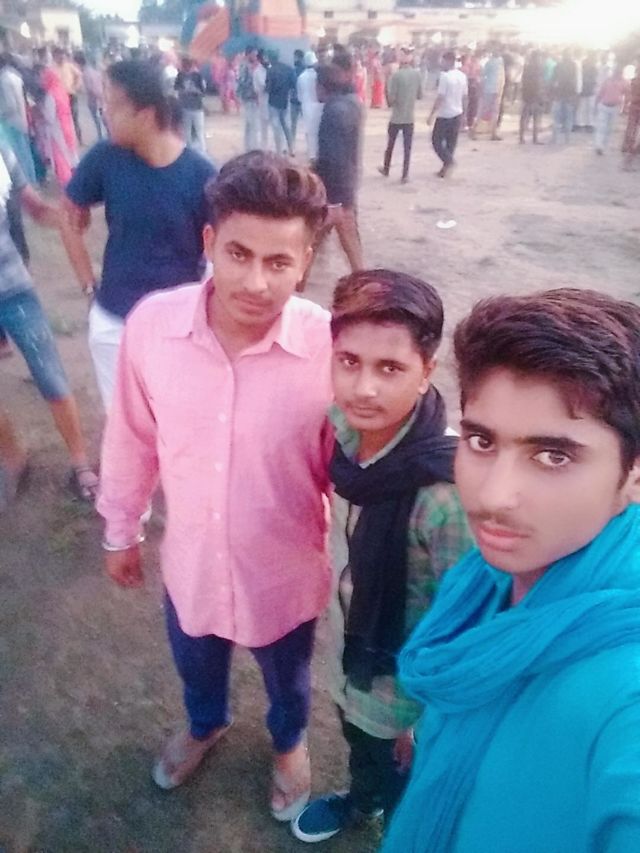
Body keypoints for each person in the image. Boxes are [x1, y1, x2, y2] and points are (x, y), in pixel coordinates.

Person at [98, 151, 333, 823]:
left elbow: (355, 457)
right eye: (238, 253)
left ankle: (288, 743)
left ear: (305, 261)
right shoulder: (152, 327)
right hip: (192, 563)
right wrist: (121, 529)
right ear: (208, 242)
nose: (256, 281)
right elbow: (131, 437)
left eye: (279, 261)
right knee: (195, 661)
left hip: (283, 570)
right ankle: (206, 723)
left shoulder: (329, 346)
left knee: (289, 678)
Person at [382, 288, 640, 853]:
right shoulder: (486, 578)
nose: (494, 497)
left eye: (554, 456)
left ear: (634, 474)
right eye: (481, 440)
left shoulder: (627, 697)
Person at [291, 270, 474, 844]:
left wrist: (426, 721)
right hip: (354, 653)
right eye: (349, 362)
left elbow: (463, 625)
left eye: (390, 368)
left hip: (404, 689)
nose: (364, 388)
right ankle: (361, 801)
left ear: (427, 371)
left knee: (406, 786)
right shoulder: (344, 432)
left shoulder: (446, 496)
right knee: (360, 744)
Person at [63, 60, 216, 410]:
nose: (104, 112)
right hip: (114, 323)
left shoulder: (202, 176)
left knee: (176, 420)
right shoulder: (106, 158)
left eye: (113, 105)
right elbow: (67, 214)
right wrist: (88, 287)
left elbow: (219, 257)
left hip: (178, 329)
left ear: (145, 115)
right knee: (122, 424)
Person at [0, 140, 98, 501]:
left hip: (14, 288)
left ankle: (81, 462)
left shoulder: (2, 152)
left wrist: (68, 215)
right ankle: (13, 459)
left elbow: (37, 209)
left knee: (51, 376)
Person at [309, 63, 363, 285]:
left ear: (322, 86)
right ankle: (299, 279)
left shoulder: (333, 111)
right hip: (346, 180)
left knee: (329, 234)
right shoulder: (351, 104)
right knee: (319, 235)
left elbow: (333, 156)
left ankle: (363, 281)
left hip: (335, 187)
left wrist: (332, 196)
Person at [378, 48, 422, 184]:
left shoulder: (396, 76)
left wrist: (386, 86)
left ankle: (386, 168)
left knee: (390, 145)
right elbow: (420, 95)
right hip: (409, 117)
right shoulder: (417, 75)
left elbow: (391, 101)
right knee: (407, 148)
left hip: (396, 117)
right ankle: (405, 174)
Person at [428, 51, 468, 178]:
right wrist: (464, 114)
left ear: (448, 61)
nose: (441, 63)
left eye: (443, 61)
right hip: (457, 112)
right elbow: (465, 97)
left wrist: (432, 114)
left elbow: (440, 97)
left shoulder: (445, 77)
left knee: (436, 141)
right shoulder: (462, 76)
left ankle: (449, 161)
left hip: (445, 114)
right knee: (451, 142)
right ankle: (446, 168)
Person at [38, 65, 79, 186]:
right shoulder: (61, 91)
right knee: (70, 154)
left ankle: (67, 183)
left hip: (57, 129)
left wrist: (41, 111)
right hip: (67, 124)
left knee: (61, 156)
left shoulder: (50, 95)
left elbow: (49, 116)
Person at [0, 54, 36, 183]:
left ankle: (27, 183)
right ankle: (32, 181)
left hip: (11, 122)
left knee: (19, 156)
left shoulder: (3, 79)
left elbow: (10, 105)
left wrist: (1, 113)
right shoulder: (15, 75)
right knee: (26, 154)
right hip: (21, 119)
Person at [175, 56, 207, 155]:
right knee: (187, 131)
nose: (186, 67)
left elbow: (203, 92)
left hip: (196, 107)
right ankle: (190, 151)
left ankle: (202, 151)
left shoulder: (198, 76)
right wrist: (183, 91)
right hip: (186, 106)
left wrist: (194, 91)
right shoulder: (180, 75)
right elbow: (176, 88)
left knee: (198, 131)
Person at [472, 44, 504, 141]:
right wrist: (481, 87)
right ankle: (473, 130)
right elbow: (482, 75)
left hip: (496, 89)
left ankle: (493, 133)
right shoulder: (489, 62)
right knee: (483, 111)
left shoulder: (500, 61)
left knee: (494, 112)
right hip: (489, 89)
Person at [266, 50, 295, 157]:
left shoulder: (270, 70)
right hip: (285, 101)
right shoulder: (288, 69)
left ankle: (279, 150)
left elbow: (268, 88)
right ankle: (291, 149)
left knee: (276, 126)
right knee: (286, 125)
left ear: (270, 58)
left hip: (273, 102)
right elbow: (293, 85)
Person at [52, 48, 83, 146]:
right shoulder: (52, 68)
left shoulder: (69, 66)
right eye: (58, 55)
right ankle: (68, 141)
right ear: (54, 57)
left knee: (75, 118)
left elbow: (79, 75)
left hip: (71, 94)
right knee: (63, 120)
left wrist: (76, 87)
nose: (60, 57)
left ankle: (79, 140)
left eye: (62, 55)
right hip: (59, 98)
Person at [594, 66, 627, 155]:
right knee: (604, 127)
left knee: (607, 128)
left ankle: (601, 146)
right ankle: (600, 146)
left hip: (611, 107)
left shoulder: (619, 82)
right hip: (608, 106)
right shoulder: (614, 81)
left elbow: (626, 93)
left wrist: (596, 103)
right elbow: (600, 93)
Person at [297, 51, 322, 162]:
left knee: (309, 131)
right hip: (319, 106)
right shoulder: (318, 76)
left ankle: (311, 154)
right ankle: (318, 152)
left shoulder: (301, 77)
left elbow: (299, 96)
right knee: (318, 131)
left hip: (306, 107)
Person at [76, 52, 106, 142]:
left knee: (98, 120)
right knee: (103, 120)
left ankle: (101, 138)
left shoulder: (86, 73)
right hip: (100, 98)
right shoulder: (94, 70)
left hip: (94, 101)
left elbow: (91, 88)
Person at [551, 49, 579, 144]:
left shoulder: (558, 65)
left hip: (559, 94)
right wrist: (575, 94)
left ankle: (555, 138)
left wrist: (552, 93)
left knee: (556, 118)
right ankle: (567, 139)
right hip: (569, 95)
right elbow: (575, 80)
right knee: (568, 117)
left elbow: (553, 80)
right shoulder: (573, 66)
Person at [236, 46, 260, 152]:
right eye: (254, 54)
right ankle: (252, 146)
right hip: (249, 96)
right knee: (252, 122)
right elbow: (242, 81)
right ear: (248, 54)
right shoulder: (244, 66)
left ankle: (249, 145)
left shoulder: (249, 66)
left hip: (250, 96)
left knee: (250, 123)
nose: (255, 57)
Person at [519, 49, 545, 145]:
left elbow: (523, 82)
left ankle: (521, 138)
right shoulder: (538, 69)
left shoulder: (527, 67)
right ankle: (534, 138)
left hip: (527, 95)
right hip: (535, 95)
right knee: (535, 117)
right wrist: (541, 95)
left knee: (524, 117)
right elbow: (539, 84)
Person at [622, 57, 640, 170]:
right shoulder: (634, 81)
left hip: (634, 106)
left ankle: (627, 147)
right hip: (636, 106)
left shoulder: (634, 81)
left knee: (631, 128)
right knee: (633, 130)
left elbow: (631, 95)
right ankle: (631, 153)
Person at [576, 50, 598, 131]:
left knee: (582, 107)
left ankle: (581, 123)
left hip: (584, 88)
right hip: (589, 88)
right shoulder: (593, 65)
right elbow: (595, 77)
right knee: (589, 108)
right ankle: (589, 124)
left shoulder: (583, 64)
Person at [290, 49, 305, 152]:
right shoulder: (304, 69)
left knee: (293, 125)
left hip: (295, 99)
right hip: (301, 100)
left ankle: (292, 146)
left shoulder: (294, 70)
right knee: (305, 124)